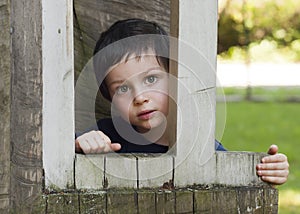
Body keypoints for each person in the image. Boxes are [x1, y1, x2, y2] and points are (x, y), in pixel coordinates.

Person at [75, 18, 289, 185]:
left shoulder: (199, 145)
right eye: (123, 88)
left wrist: (269, 169)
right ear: (108, 97)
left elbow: (232, 176)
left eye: (151, 79)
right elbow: (62, 154)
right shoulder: (107, 136)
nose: (140, 98)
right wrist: (81, 145)